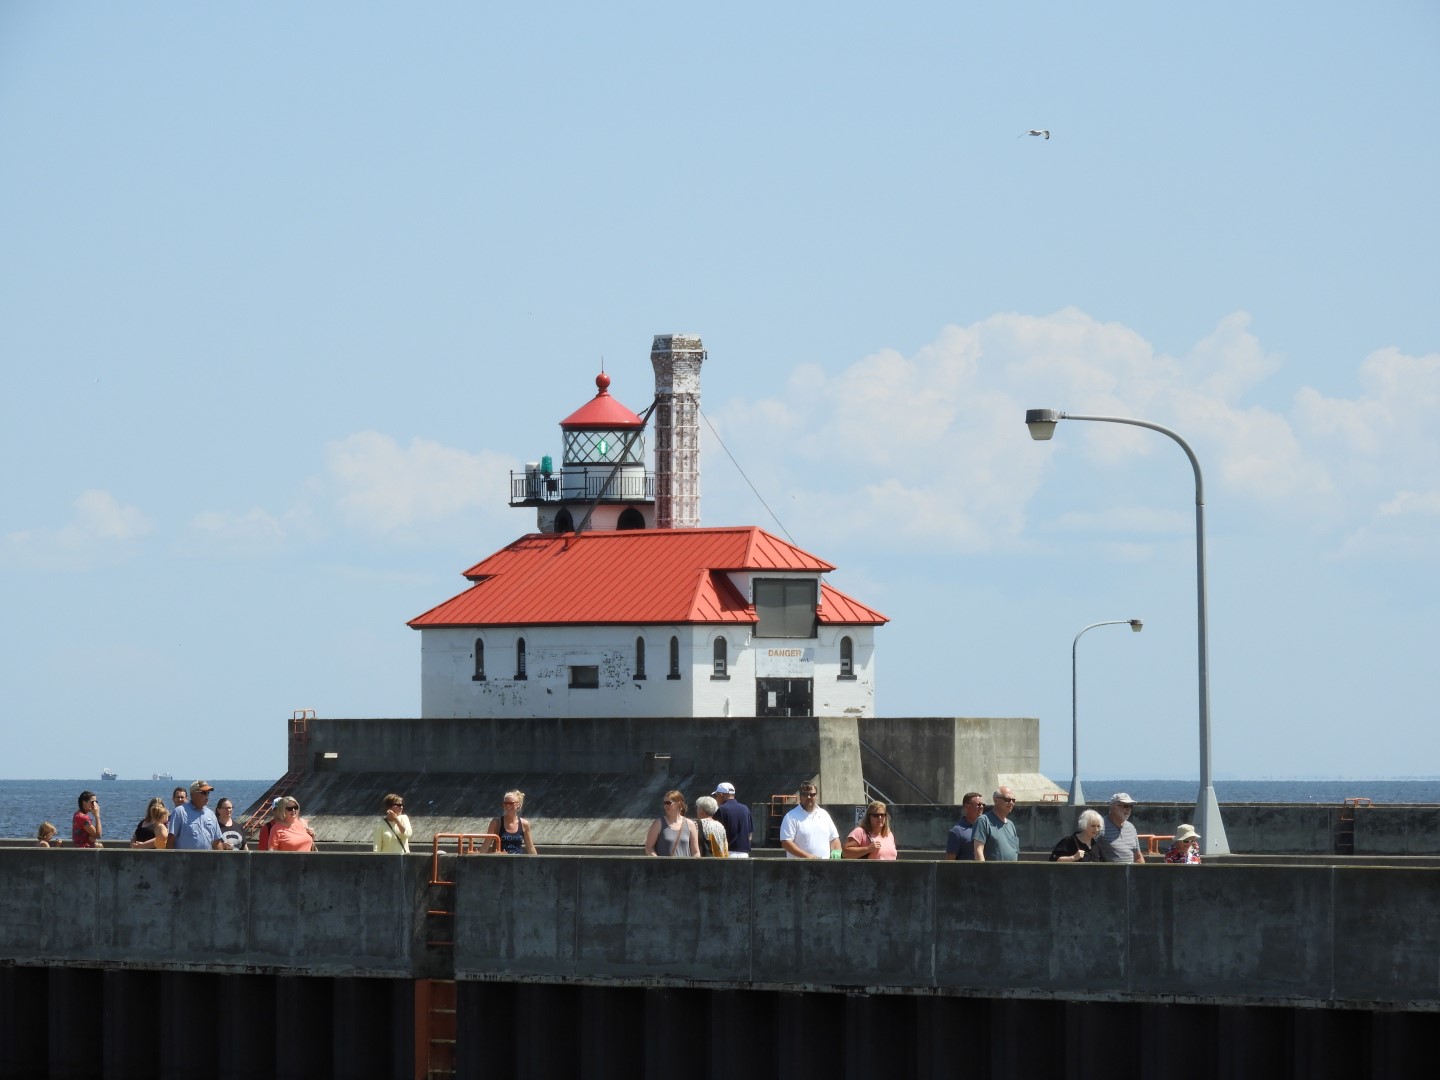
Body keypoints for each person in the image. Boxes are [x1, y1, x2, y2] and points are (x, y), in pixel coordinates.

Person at [779, 782, 841, 859]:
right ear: (800, 796)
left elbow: (834, 838)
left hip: (825, 867)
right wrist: (806, 856)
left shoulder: (824, 814)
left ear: (816, 796)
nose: (808, 797)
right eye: (805, 794)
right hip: (799, 867)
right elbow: (786, 843)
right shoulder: (790, 817)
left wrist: (837, 852)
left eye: (812, 794)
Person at [167, 780, 229, 850]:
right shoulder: (179, 812)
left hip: (207, 860)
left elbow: (216, 842)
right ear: (193, 794)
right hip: (185, 860)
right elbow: (170, 841)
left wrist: (220, 859)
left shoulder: (211, 814)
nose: (207, 796)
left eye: (208, 793)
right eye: (204, 793)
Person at [644, 789, 699, 856]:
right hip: (665, 866)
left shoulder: (690, 824)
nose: (665, 805)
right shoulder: (658, 823)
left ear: (678, 804)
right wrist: (657, 861)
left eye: (668, 803)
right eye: (664, 803)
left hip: (685, 866)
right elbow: (649, 847)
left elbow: (696, 852)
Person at [972, 785, 1019, 862]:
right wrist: (982, 870)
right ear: (996, 800)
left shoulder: (1011, 825)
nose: (1011, 802)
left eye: (1013, 800)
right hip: (992, 872)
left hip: (1012, 872)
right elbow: (978, 850)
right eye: (1007, 799)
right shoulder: (983, 821)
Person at [485, 790, 537, 854]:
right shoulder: (496, 823)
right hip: (499, 861)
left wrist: (536, 862)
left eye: (511, 803)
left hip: (517, 862)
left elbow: (530, 847)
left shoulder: (524, 824)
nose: (508, 806)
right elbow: (485, 846)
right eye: (505, 803)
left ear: (518, 805)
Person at [1099, 792, 1146, 864]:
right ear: (1113, 807)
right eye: (1126, 806)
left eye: (1131, 806)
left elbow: (1138, 856)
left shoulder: (1131, 827)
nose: (1129, 809)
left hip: (1130, 873)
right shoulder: (1099, 825)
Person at [711, 781, 754, 858]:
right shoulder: (745, 809)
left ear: (721, 795)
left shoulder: (721, 809)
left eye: (716, 796)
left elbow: (714, 831)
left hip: (727, 853)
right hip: (744, 854)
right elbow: (749, 834)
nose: (716, 798)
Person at [945, 792, 985, 861]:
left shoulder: (986, 828)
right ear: (966, 806)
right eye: (978, 804)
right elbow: (949, 861)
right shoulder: (957, 831)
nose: (981, 807)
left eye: (983, 804)